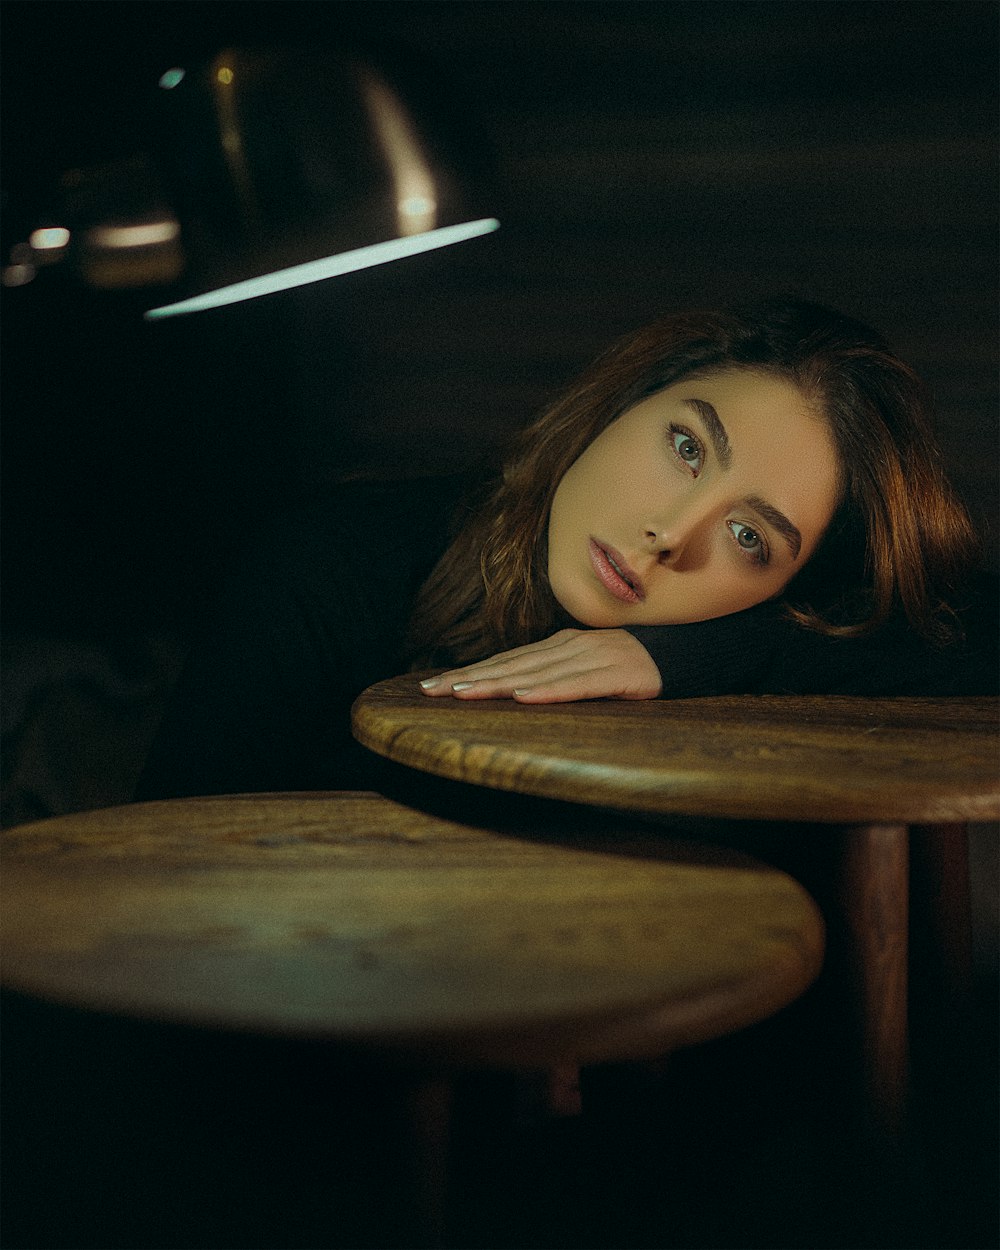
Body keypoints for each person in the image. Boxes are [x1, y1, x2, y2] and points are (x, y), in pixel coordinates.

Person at [135, 296, 998, 800]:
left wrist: (692, 658)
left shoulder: (746, 633)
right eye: (687, 447)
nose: (670, 534)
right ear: (620, 404)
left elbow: (974, 626)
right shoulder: (328, 566)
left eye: (748, 537)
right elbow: (158, 880)